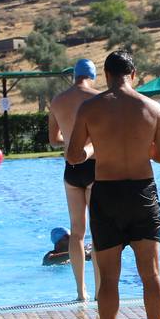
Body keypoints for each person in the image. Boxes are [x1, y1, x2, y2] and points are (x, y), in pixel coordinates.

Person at [65, 51, 160, 319]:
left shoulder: (90, 107)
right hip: (142, 193)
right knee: (151, 273)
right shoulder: (152, 108)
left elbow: (73, 156)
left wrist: (94, 147)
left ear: (106, 75)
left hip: (107, 195)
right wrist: (144, 147)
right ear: (133, 73)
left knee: (109, 277)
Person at [48, 58, 101, 300]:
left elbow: (53, 139)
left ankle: (81, 292)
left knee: (77, 232)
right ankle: (101, 290)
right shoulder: (98, 98)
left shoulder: (58, 101)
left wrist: (70, 141)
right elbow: (104, 136)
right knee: (99, 231)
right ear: (93, 75)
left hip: (71, 169)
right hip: (94, 166)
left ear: (74, 75)